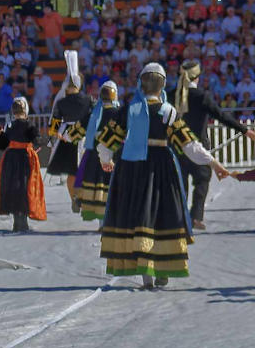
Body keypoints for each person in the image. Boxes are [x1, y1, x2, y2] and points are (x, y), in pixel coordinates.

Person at [96, 63, 229, 288]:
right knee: (163, 215)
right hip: (161, 169)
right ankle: (163, 266)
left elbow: (106, 140)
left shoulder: (129, 109)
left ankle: (145, 270)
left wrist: (105, 159)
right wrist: (214, 163)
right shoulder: (168, 111)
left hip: (132, 169)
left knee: (138, 215)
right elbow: (190, 145)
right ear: (163, 85)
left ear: (141, 83)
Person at [174, 57, 254, 231]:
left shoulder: (172, 93)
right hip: (199, 145)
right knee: (202, 180)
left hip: (177, 146)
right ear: (197, 78)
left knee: (181, 182)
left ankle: (180, 217)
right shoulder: (202, 96)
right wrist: (244, 130)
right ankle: (195, 216)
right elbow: (222, 116)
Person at [45, 51, 91, 212]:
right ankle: (81, 198)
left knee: (71, 173)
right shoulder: (88, 100)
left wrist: (52, 139)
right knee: (85, 171)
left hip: (66, 138)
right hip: (84, 137)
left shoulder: (62, 102)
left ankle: (74, 198)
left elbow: (55, 123)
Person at [0, 98, 44, 233]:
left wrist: (0, 135)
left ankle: (17, 222)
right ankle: (24, 221)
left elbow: (1, 145)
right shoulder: (30, 125)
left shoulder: (10, 126)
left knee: (13, 188)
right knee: (25, 187)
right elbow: (38, 140)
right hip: (25, 159)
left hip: (11, 160)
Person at [74, 80, 118, 223]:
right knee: (110, 187)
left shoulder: (94, 113)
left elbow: (78, 129)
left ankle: (101, 222)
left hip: (93, 156)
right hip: (113, 154)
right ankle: (108, 221)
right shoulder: (118, 113)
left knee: (96, 188)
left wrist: (67, 136)